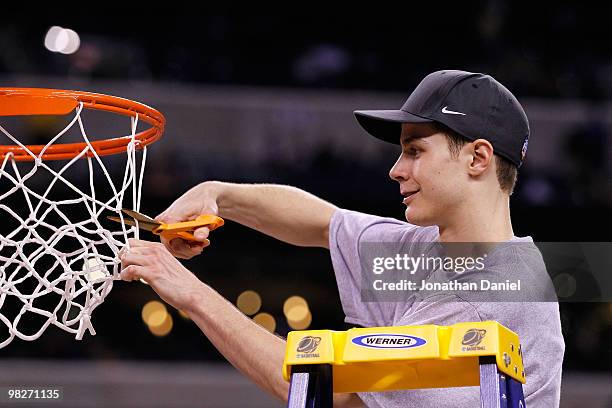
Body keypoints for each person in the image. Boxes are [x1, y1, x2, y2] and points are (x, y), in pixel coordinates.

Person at [119, 70, 564, 407]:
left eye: (414, 150)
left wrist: (190, 293)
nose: (396, 169)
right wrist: (216, 195)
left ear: (478, 158)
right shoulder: (428, 248)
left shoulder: (498, 296)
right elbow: (320, 221)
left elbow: (319, 388)